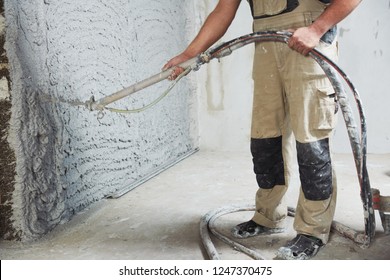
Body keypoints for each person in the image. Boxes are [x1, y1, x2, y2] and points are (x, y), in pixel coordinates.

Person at [163, 0, 362, 260]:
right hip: (266, 48)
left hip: (311, 46)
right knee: (265, 140)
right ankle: (268, 215)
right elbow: (224, 10)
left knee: (311, 144)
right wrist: (190, 54)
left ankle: (313, 229)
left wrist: (316, 29)